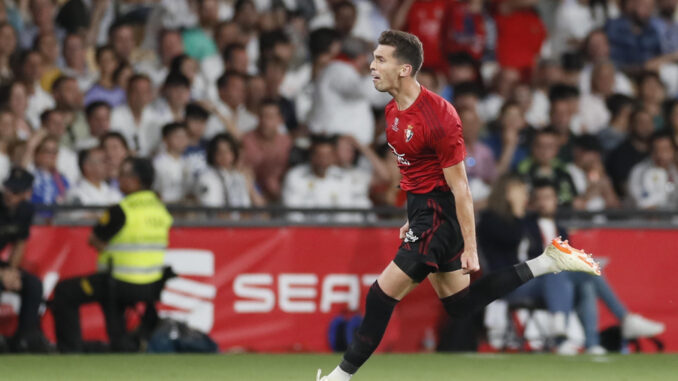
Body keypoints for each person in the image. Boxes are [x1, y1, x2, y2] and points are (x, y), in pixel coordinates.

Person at [316, 30, 600, 381]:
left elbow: (461, 188)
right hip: (424, 213)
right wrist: (411, 216)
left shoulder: (439, 116)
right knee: (460, 306)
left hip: (441, 215)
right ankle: (547, 261)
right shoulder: (392, 113)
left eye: (380, 59)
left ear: (404, 69)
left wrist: (470, 246)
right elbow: (412, 173)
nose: (371, 66)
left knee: (379, 297)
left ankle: (338, 378)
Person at [530, 179, 665, 354]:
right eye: (539, 198)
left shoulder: (561, 229)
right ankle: (625, 319)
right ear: (533, 202)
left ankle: (590, 344)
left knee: (586, 284)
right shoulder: (526, 226)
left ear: (556, 199)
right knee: (584, 270)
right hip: (538, 280)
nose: (543, 203)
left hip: (562, 280)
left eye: (548, 197)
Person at [52, 157, 173, 352]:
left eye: (123, 175)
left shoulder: (122, 210)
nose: (118, 179)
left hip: (119, 282)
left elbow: (95, 240)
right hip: (151, 285)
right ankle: (123, 344)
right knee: (111, 301)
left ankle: (70, 352)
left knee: (65, 291)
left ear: (135, 180)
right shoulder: (161, 209)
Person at [479, 175, 577, 354]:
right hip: (504, 284)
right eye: (522, 192)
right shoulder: (490, 219)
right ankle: (560, 334)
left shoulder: (525, 221)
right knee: (554, 269)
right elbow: (510, 238)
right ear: (508, 194)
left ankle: (584, 338)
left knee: (585, 279)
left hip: (526, 281)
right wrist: (517, 212)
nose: (526, 197)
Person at [0, 168, 49, 352]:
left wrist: (11, 271)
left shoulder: (26, 210)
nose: (10, 195)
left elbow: (20, 242)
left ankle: (25, 337)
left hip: (3, 266)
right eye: (8, 189)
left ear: (28, 193)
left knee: (33, 284)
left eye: (16, 191)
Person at [628, 131, 678, 209]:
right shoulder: (639, 172)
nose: (660, 154)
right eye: (656, 150)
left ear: (674, 151)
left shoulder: (675, 171)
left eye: (665, 150)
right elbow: (643, 204)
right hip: (644, 219)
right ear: (650, 151)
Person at [153, 122, 190, 204]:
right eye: (177, 137)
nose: (182, 140)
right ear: (165, 139)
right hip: (164, 206)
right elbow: (155, 191)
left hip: (184, 208)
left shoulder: (187, 162)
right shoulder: (158, 163)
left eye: (184, 137)